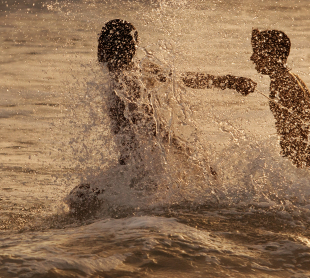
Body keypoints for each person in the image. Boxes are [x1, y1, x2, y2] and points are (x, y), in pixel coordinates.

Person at [96, 19, 254, 169]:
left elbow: (156, 130)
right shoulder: (138, 71)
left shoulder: (127, 82)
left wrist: (187, 157)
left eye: (101, 42)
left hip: (139, 169)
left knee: (79, 196)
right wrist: (229, 81)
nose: (98, 48)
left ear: (107, 47)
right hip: (136, 166)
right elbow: (184, 79)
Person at [248, 28, 310, 176]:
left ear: (271, 55)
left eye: (257, 52)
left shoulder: (282, 83)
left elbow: (294, 134)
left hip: (301, 163)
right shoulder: (291, 78)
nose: (252, 58)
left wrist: (294, 165)